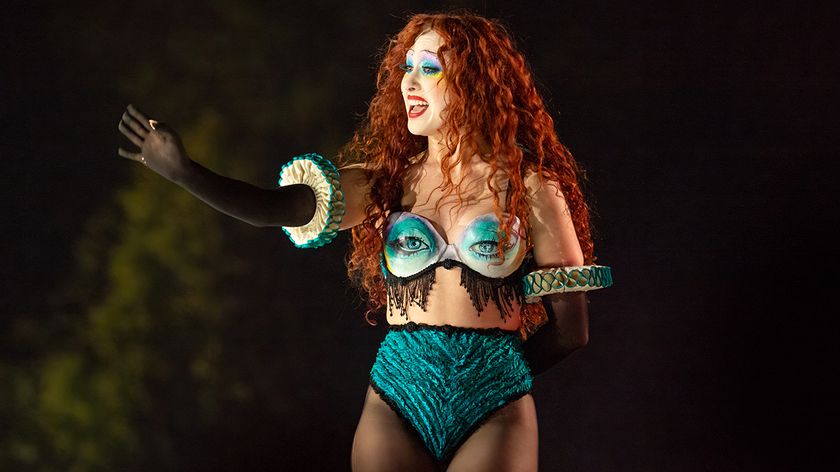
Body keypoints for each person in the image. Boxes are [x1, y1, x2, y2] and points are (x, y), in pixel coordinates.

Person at [117, 11, 611, 472]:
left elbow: (571, 331)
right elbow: (273, 209)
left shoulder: (530, 188)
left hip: (495, 403)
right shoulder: (386, 183)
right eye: (407, 67)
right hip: (398, 393)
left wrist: (494, 375)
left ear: (475, 83)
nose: (409, 81)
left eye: (430, 68)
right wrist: (185, 173)